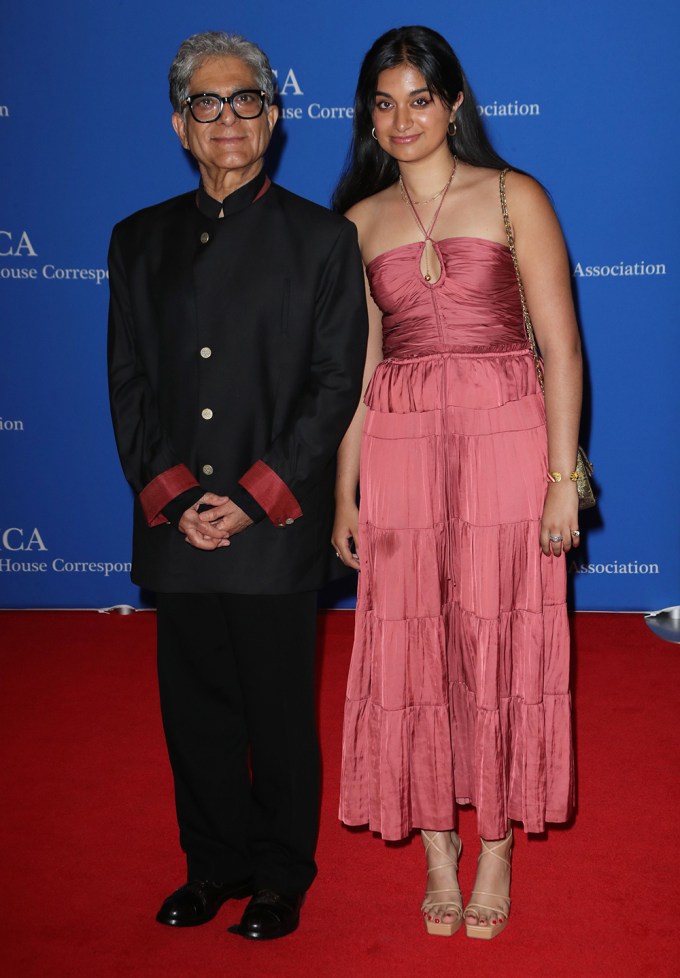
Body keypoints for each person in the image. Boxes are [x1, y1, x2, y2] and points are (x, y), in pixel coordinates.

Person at [107, 31, 367, 941]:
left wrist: (251, 496)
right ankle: (212, 866)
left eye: (246, 101)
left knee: (279, 715)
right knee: (198, 713)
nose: (229, 119)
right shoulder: (135, 241)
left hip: (274, 524)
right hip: (178, 528)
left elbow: (335, 385)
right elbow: (129, 384)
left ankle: (279, 879)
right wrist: (178, 499)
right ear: (182, 125)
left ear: (275, 117)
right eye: (207, 104)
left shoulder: (323, 239)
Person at [332, 25, 581, 940]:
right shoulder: (357, 221)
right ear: (369, 114)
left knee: (500, 633)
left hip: (506, 431)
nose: (403, 119)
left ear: (456, 105)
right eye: (385, 103)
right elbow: (359, 374)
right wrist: (342, 493)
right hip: (401, 437)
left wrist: (562, 478)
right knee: (413, 642)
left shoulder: (516, 197)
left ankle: (499, 842)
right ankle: (438, 841)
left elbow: (561, 349)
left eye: (421, 100)